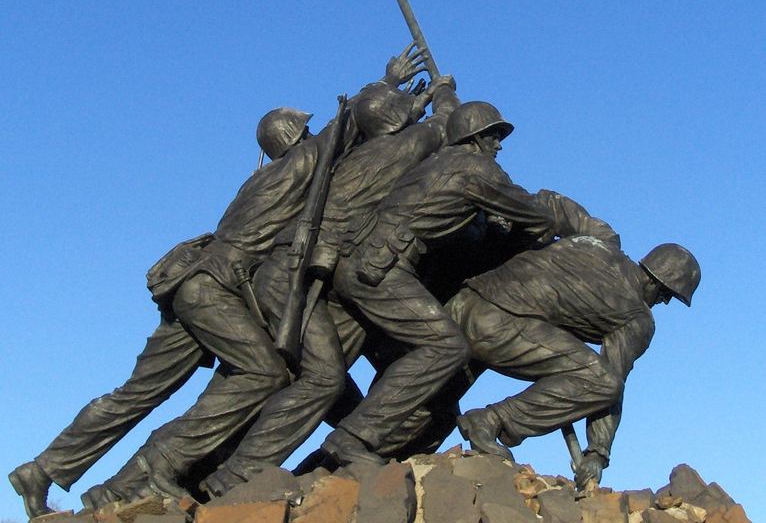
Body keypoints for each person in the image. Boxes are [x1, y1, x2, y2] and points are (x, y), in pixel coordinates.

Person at [8, 46, 424, 517]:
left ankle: (49, 471)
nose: (310, 134)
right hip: (212, 289)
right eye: (303, 130)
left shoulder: (259, 180)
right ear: (293, 139)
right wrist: (388, 84)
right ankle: (161, 462)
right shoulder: (291, 170)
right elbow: (339, 133)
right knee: (263, 373)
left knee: (137, 393)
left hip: (197, 285)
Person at [201, 75, 459, 496]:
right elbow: (447, 125)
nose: (308, 135)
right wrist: (443, 90)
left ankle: (282, 464)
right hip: (299, 275)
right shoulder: (398, 150)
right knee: (324, 378)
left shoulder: (344, 161)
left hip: (319, 275)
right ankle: (235, 473)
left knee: (317, 380)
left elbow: (355, 126)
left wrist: (401, 91)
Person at [319, 101, 560, 465]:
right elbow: (537, 216)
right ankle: (351, 436)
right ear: (475, 138)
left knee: (336, 366)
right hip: (383, 267)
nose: (499, 144)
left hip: (356, 260)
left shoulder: (436, 162)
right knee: (447, 348)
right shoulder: (478, 169)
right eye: (494, 135)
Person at [452, 237, 701, 490]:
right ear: (654, 281)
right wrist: (597, 454)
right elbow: (610, 382)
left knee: (428, 415)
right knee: (603, 382)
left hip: (459, 305)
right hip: (495, 326)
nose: (665, 302)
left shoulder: (594, 245)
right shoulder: (638, 317)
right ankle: (491, 420)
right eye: (666, 294)